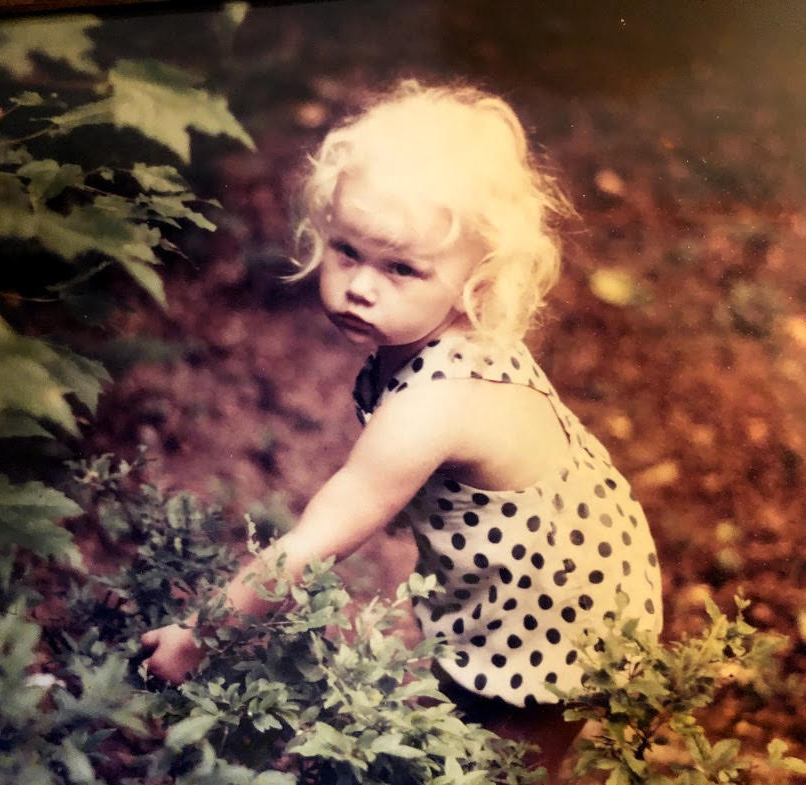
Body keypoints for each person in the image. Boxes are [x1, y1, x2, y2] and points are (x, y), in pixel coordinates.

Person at [141, 80, 663, 782]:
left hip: (561, 613)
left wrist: (196, 637)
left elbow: (310, 545)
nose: (360, 285)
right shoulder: (435, 339)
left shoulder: (436, 405)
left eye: (401, 268)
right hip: (556, 560)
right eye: (347, 250)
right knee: (456, 733)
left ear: (476, 278)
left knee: (507, 761)